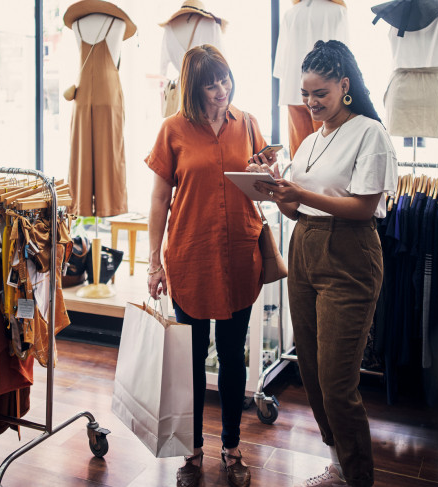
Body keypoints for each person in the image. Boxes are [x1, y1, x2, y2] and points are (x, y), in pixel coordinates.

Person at [251, 40, 397, 487]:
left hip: (349, 255)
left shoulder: (369, 133)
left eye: (321, 94)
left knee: (337, 381)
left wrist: (302, 195)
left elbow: (365, 206)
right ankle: (338, 464)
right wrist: (275, 186)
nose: (312, 103)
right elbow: (297, 211)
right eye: (306, 94)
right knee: (311, 372)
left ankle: (358, 478)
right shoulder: (312, 140)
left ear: (344, 86)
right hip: (305, 249)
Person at [145, 44, 277, 487]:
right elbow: (160, 200)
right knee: (193, 359)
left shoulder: (249, 124)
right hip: (190, 257)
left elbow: (264, 190)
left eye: (224, 79)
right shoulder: (173, 130)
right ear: (193, 86)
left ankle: (232, 446)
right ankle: (193, 450)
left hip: (241, 254)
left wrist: (267, 172)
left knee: (234, 355)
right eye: (210, 83)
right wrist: (153, 264)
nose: (221, 90)